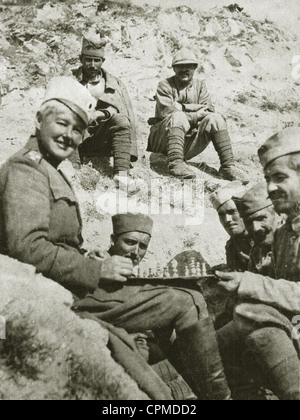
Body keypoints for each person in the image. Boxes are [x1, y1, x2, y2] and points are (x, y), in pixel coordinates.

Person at [0, 76, 173, 400]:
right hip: (42, 290)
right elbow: (27, 247)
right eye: (62, 123)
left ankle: (169, 394)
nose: (69, 135)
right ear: (39, 119)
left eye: (78, 129)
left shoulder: (51, 168)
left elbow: (57, 241)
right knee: (180, 302)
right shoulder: (27, 169)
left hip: (62, 279)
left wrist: (87, 257)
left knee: (153, 322)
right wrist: (95, 271)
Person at [74, 213, 232, 400]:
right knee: (189, 299)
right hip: (105, 328)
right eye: (130, 242)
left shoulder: (129, 272)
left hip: (137, 343)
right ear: (113, 240)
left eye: (143, 246)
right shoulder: (101, 261)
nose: (136, 251)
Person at [216, 127, 300, 400]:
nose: (271, 187)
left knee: (253, 318)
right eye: (267, 179)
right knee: (233, 326)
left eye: (280, 178)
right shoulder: (287, 231)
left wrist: (250, 283)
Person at [147, 48, 248, 182]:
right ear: (174, 69)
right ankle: (175, 164)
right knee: (178, 116)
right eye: (180, 67)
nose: (184, 70)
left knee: (216, 119)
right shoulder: (164, 85)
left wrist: (183, 107)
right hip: (163, 141)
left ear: (195, 68)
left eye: (188, 66)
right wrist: (197, 113)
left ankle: (227, 166)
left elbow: (209, 110)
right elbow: (167, 112)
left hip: (188, 141)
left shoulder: (200, 86)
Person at [72, 34, 138, 184]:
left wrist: (99, 114)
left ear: (103, 61)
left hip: (104, 141)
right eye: (88, 59)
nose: (93, 65)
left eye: (97, 60)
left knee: (121, 120)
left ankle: (121, 174)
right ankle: (73, 170)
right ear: (80, 59)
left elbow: (119, 108)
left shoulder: (114, 83)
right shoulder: (69, 80)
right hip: (76, 140)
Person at [234, 183, 282, 275]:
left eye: (260, 219)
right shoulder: (257, 251)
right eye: (248, 222)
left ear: (278, 213)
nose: (255, 228)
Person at [211, 182, 252, 272]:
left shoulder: (268, 238)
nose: (227, 219)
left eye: (232, 212)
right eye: (221, 215)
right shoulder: (232, 246)